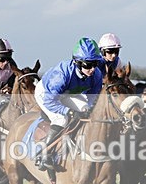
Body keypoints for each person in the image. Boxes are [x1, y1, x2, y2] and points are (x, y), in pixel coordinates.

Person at [34, 37, 104, 170]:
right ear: (77, 63)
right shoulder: (61, 75)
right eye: (88, 65)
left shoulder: (97, 75)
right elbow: (49, 101)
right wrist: (68, 111)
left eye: (95, 63)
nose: (93, 69)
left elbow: (92, 99)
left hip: (68, 93)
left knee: (85, 109)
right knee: (62, 119)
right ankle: (44, 154)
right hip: (46, 94)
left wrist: (88, 109)